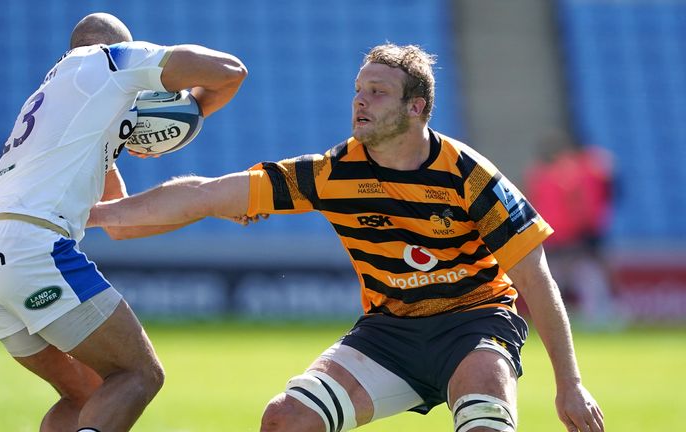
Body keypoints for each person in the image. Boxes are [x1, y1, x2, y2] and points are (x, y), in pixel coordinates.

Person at [89, 44, 604, 432]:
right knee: (283, 420)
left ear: (417, 108)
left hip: (473, 322)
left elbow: (536, 279)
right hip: (389, 332)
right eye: (358, 91)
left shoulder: (469, 177)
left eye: (377, 93)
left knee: (484, 422)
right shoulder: (332, 173)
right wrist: (93, 215)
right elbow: (203, 196)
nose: (360, 101)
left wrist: (570, 384)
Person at [0, 12, 247, 432]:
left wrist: (213, 202)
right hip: (32, 250)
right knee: (139, 375)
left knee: (88, 395)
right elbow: (231, 72)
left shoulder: (63, 103)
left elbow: (121, 221)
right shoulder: (108, 61)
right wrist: (191, 112)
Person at [524, 130, 619, 329]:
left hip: (550, 235)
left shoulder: (537, 176)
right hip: (570, 235)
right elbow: (584, 202)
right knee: (583, 275)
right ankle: (596, 315)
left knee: (557, 278)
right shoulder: (572, 174)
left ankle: (559, 318)